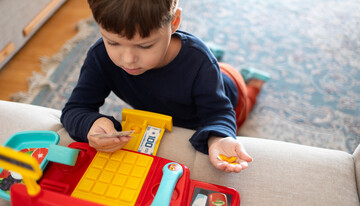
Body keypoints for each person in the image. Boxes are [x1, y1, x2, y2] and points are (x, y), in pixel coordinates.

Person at [61, 0, 270, 173]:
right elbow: (74, 109)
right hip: (189, 88)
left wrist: (218, 137)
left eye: (145, 45)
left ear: (174, 22)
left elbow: (219, 114)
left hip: (230, 89)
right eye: (112, 42)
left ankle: (253, 82)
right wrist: (90, 124)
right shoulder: (100, 56)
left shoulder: (200, 62)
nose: (127, 59)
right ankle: (217, 56)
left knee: (245, 99)